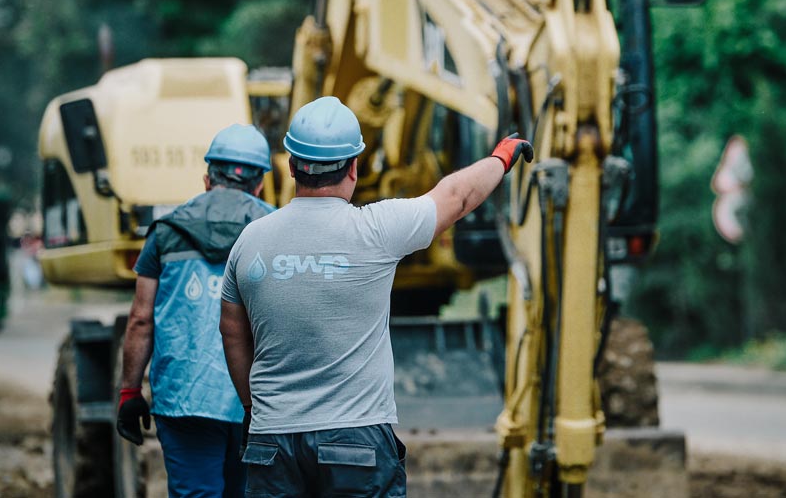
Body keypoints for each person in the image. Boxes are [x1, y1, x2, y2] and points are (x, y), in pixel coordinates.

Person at [220, 96, 532, 498]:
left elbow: (233, 332)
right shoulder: (376, 230)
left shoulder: (250, 241)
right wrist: (501, 157)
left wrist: (253, 408)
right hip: (355, 440)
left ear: (293, 165)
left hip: (273, 441)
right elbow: (456, 197)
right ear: (353, 167)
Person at [117, 124, 276, 498]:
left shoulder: (165, 231)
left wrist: (129, 391)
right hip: (259, 401)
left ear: (207, 179)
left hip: (185, 399)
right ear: (259, 185)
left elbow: (141, 318)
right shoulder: (277, 230)